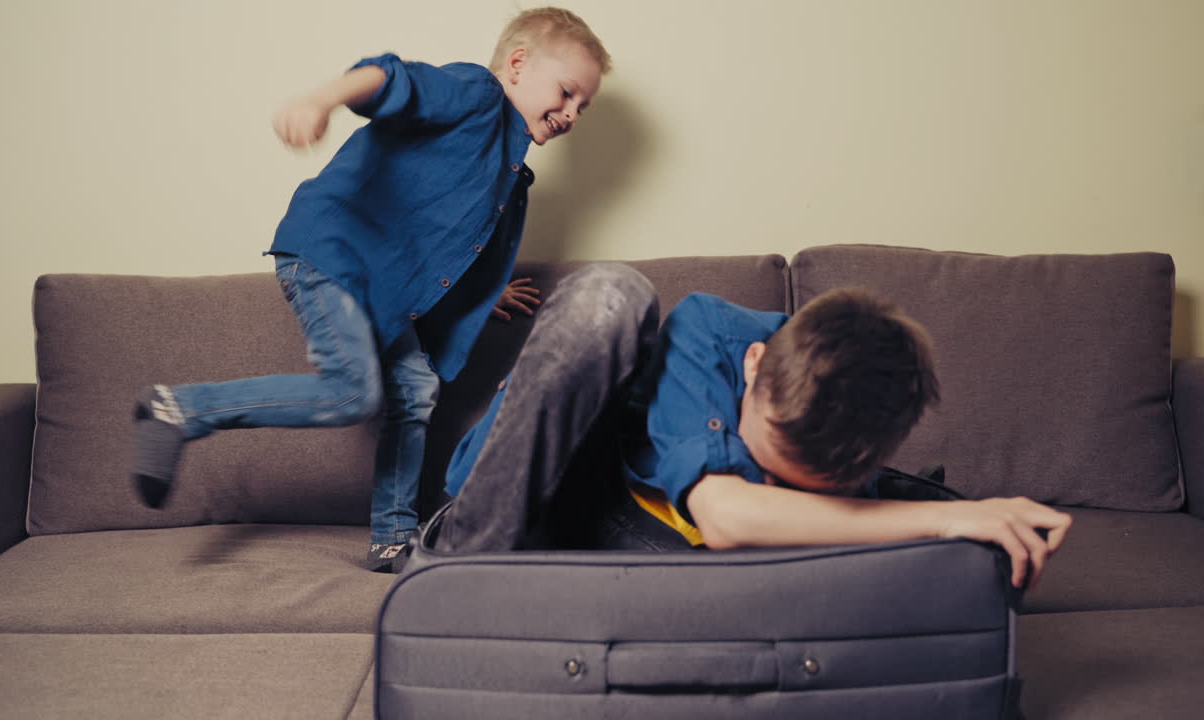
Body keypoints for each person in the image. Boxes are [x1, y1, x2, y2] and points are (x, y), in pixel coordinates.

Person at [130, 7, 611, 572]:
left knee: (415, 388)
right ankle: (177, 409)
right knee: (353, 393)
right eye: (567, 92)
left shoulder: (507, 171)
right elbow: (391, 76)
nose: (572, 113)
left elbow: (447, 240)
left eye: (584, 106)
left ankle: (392, 537)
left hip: (379, 290)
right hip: (331, 255)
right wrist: (324, 99)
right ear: (517, 64)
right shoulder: (477, 94)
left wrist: (486, 293)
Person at [439, 264, 1072, 590]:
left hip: (653, 558)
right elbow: (730, 516)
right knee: (613, 293)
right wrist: (947, 518)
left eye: (785, 484)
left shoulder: (851, 426)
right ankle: (458, 574)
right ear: (755, 362)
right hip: (523, 503)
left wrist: (972, 526)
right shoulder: (710, 332)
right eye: (761, 459)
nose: (762, 480)